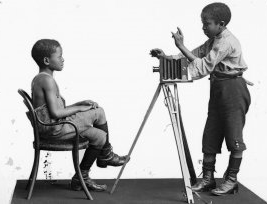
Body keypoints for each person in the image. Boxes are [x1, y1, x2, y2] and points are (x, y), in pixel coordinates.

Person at [151, 2, 251, 196]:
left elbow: (202, 67)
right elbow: (193, 55)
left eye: (207, 24)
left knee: (233, 137)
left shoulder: (225, 42)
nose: (203, 27)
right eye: (203, 23)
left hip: (233, 91)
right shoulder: (214, 40)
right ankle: (208, 179)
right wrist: (165, 58)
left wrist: (180, 45)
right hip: (218, 89)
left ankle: (231, 180)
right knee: (211, 135)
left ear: (221, 24)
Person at [30, 39, 129, 192]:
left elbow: (53, 110)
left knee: (100, 136)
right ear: (46, 60)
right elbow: (56, 113)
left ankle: (80, 178)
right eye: (59, 56)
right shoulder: (47, 80)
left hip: (55, 126)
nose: (63, 59)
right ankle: (106, 155)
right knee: (99, 112)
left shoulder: (41, 78)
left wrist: (80, 103)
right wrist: (80, 107)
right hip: (55, 129)